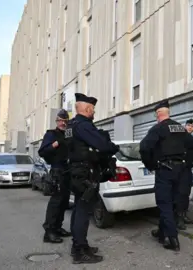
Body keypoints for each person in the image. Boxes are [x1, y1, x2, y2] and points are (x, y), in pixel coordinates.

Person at [65, 93, 119, 264]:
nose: (94, 112)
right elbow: (102, 145)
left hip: (75, 172)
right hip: (85, 174)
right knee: (83, 211)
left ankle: (79, 245)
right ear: (87, 108)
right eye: (93, 109)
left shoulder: (70, 126)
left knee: (78, 210)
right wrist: (113, 147)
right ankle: (80, 251)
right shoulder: (84, 125)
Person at [140, 100, 193, 251]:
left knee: (164, 202)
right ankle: (162, 231)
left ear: (158, 114)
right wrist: (188, 162)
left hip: (165, 170)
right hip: (180, 171)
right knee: (172, 202)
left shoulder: (158, 129)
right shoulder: (180, 128)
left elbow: (144, 148)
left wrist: (151, 165)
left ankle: (172, 238)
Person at [38, 109, 72, 244]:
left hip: (68, 171)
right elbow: (42, 151)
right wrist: (55, 144)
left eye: (65, 121)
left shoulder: (69, 135)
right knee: (56, 202)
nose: (62, 123)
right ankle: (49, 232)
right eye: (60, 121)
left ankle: (58, 227)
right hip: (57, 171)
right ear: (56, 121)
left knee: (64, 202)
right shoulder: (51, 134)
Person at [175, 119, 193, 229]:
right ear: (185, 126)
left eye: (192, 126)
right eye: (188, 125)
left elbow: (191, 155)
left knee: (186, 193)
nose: (190, 127)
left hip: (187, 169)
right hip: (179, 169)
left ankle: (184, 215)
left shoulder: (191, 140)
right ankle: (178, 219)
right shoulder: (181, 138)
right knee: (180, 193)